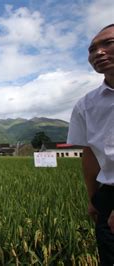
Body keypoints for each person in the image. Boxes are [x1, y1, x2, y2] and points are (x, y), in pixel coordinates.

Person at [67, 24, 114, 265]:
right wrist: (93, 198)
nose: (98, 52)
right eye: (92, 49)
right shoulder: (86, 105)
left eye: (109, 43)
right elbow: (90, 154)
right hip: (108, 196)